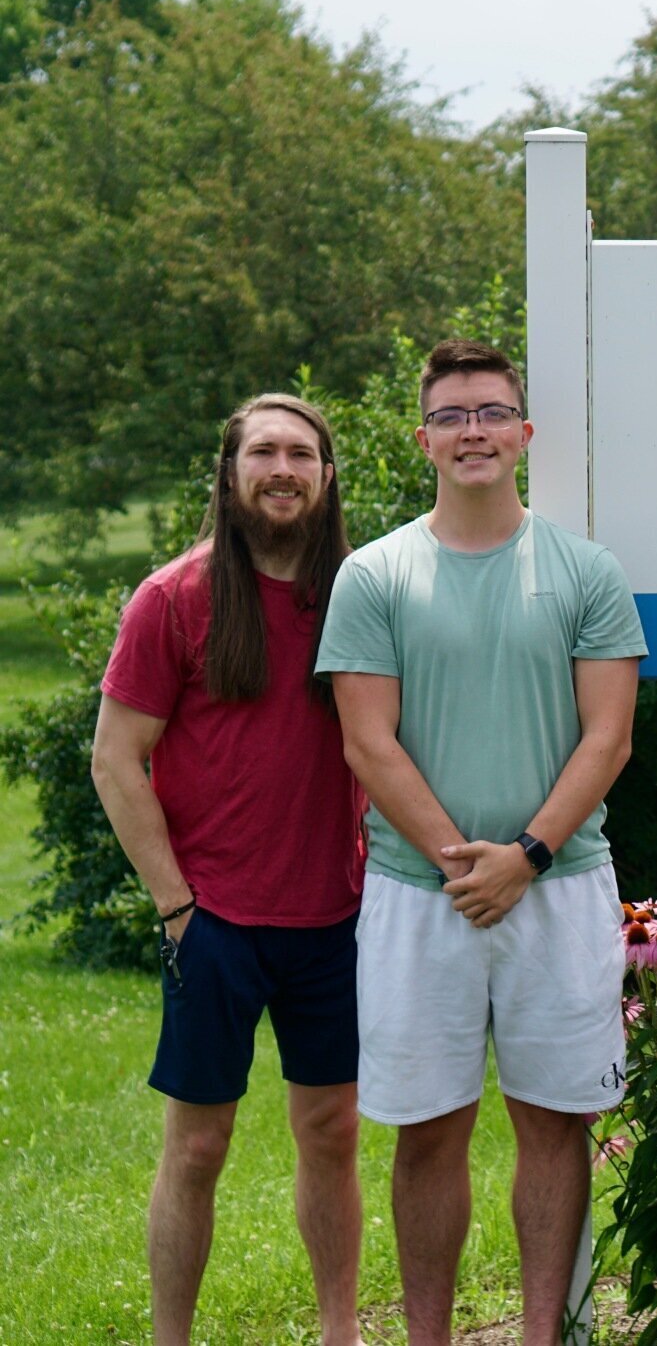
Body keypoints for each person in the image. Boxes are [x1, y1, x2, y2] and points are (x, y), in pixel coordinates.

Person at [316, 339, 646, 1346]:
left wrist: (526, 857)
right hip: (420, 897)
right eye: (452, 416)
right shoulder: (375, 574)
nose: (474, 432)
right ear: (423, 440)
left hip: (561, 886)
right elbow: (367, 741)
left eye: (492, 412)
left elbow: (608, 736)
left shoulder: (586, 571)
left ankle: (541, 1333)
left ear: (524, 433)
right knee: (429, 1131)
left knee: (554, 1122)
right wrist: (467, 865)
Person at [92, 394, 365, 1346]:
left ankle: (341, 1332)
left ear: (327, 475)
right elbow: (116, 760)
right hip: (214, 923)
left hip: (337, 917)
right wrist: (177, 907)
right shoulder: (175, 598)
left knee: (332, 1132)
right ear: (231, 471)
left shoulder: (361, 596)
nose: (283, 469)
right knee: (199, 1144)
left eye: (302, 453)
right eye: (264, 452)